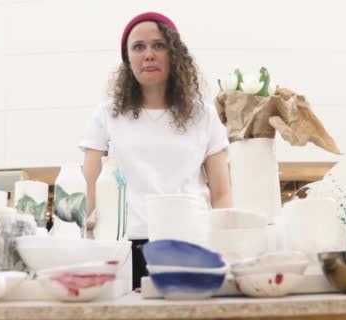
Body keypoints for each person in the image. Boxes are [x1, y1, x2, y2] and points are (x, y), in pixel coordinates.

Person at [79, 12, 232, 289]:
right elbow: (88, 190)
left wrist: (225, 246)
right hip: (124, 246)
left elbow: (222, 194)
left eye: (158, 45)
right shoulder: (107, 115)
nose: (148, 54)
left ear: (174, 54)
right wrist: (87, 242)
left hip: (191, 244)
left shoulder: (204, 115)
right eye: (138, 47)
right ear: (128, 59)